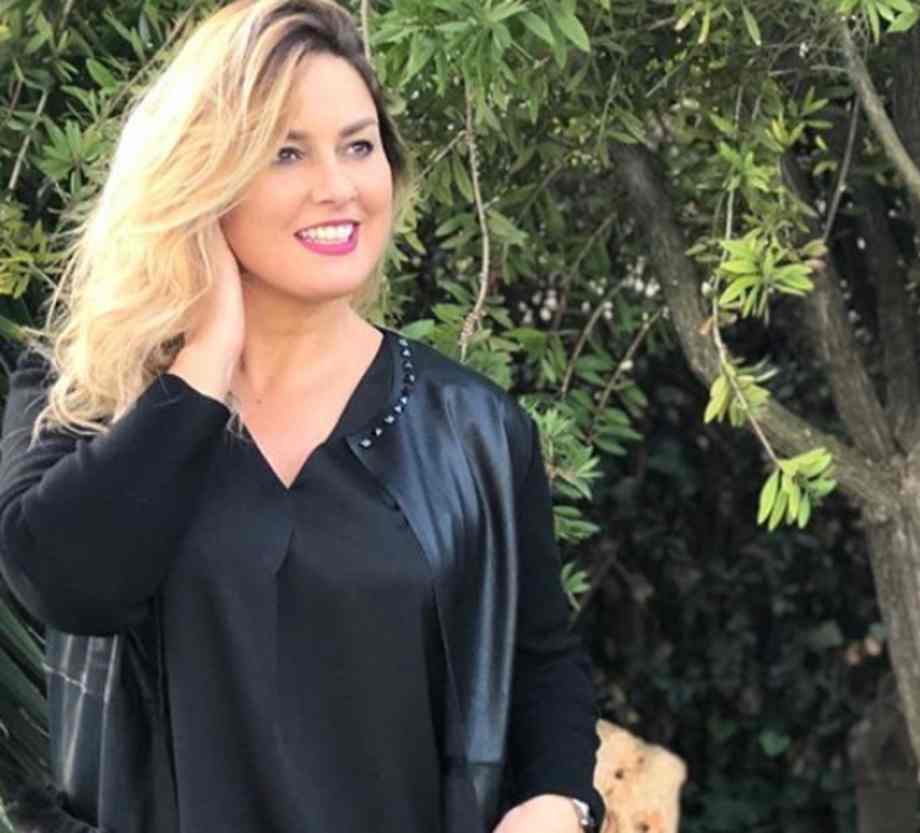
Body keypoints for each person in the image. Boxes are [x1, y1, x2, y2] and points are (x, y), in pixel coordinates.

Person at [0, 1, 603, 832]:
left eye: (358, 145)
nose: (338, 186)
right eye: (285, 152)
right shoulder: (85, 392)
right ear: (203, 177)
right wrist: (206, 358)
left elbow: (541, 667)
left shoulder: (474, 432)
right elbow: (67, 585)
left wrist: (558, 802)